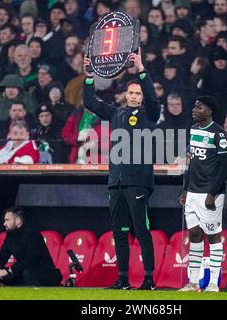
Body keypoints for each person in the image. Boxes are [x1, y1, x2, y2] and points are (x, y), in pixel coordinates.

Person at [83, 48, 160, 290]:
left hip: (138, 182)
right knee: (119, 233)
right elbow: (89, 102)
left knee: (141, 231)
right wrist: (88, 76)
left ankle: (148, 280)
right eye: (132, 93)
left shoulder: (149, 114)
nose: (135, 96)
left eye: (138, 93)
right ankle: (123, 280)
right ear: (126, 95)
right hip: (115, 182)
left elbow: (155, 100)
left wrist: (142, 70)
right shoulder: (116, 113)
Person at [178, 95, 227, 293]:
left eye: (199, 107)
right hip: (193, 192)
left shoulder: (219, 134)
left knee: (213, 236)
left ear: (209, 111)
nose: (194, 109)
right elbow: (192, 162)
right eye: (194, 106)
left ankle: (213, 284)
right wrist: (185, 188)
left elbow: (225, 165)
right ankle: (193, 283)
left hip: (210, 193)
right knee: (194, 234)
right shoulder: (193, 130)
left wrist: (212, 192)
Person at [0, 207, 62, 287]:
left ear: (18, 221)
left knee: (27, 272)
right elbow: (2, 255)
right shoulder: (10, 236)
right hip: (22, 270)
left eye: (7, 220)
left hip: (45, 273)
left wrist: (9, 271)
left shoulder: (32, 234)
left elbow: (31, 260)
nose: (4, 224)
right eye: (4, 220)